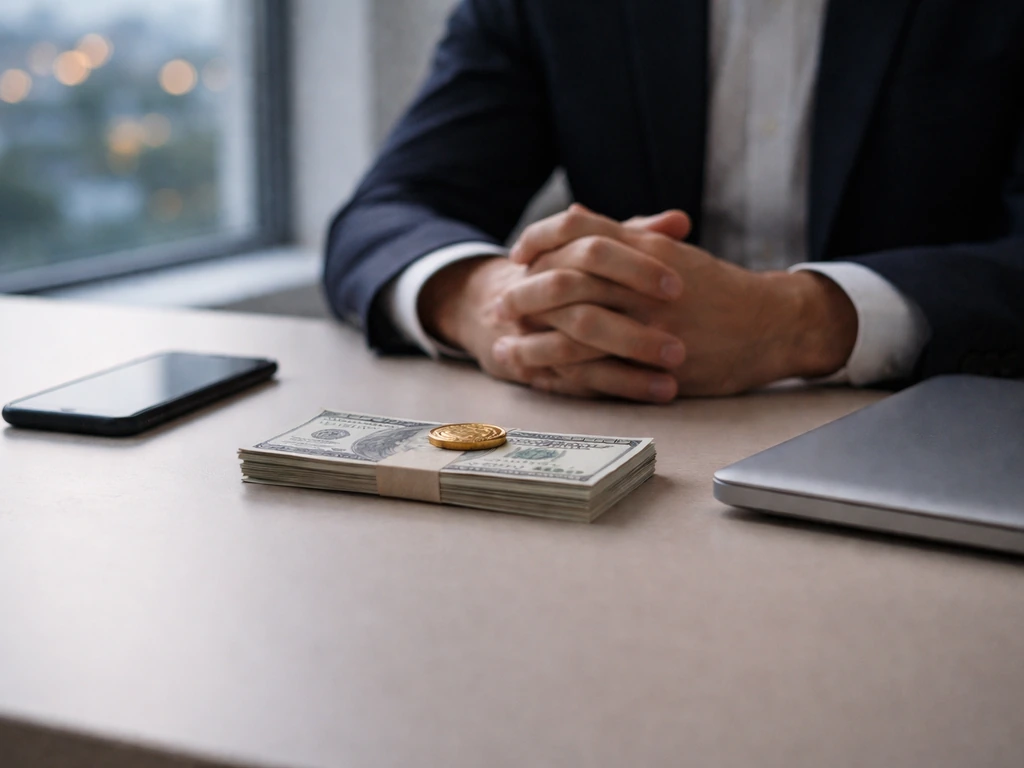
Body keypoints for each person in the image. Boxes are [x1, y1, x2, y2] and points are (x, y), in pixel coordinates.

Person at [324, 0, 1024, 403]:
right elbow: (386, 211)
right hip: (632, 451)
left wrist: (800, 322)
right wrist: (498, 305)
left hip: (944, 435)